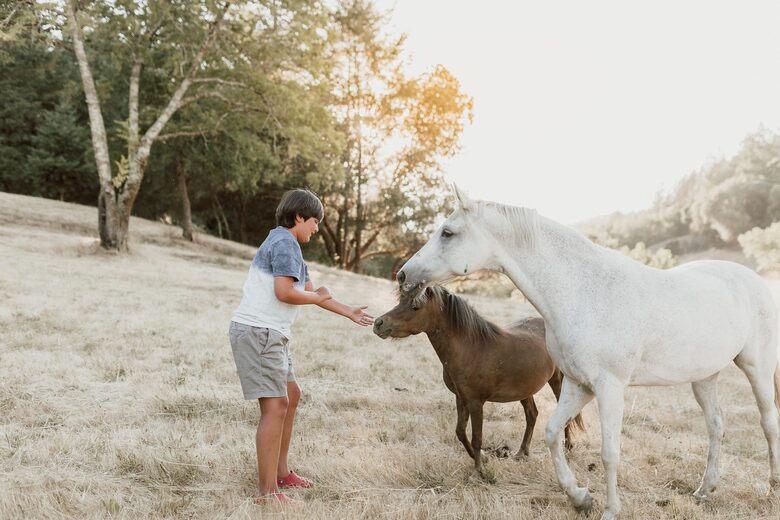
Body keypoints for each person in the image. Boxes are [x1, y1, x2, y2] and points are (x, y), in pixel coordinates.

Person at [228, 188, 374, 505]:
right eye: (314, 221)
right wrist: (318, 296)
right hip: (259, 332)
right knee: (276, 405)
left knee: (291, 395)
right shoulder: (284, 243)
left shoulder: (289, 245)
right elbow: (285, 292)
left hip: (272, 333)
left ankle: (281, 473)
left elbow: (310, 292)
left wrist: (347, 311)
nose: (317, 228)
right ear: (298, 217)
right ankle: (267, 493)